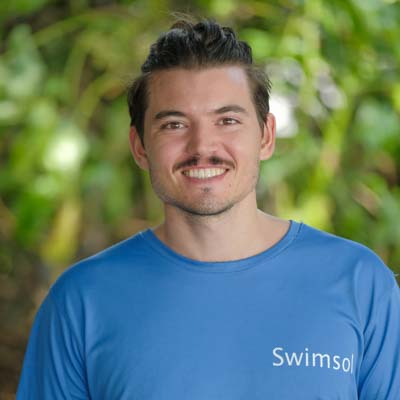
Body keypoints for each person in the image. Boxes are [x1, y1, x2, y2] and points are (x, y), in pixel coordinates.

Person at [17, 18, 400, 399]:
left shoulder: (359, 283)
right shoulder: (81, 301)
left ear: (266, 136)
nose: (202, 146)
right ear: (140, 147)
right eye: (174, 125)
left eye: (227, 120)